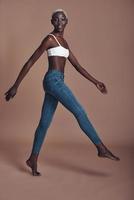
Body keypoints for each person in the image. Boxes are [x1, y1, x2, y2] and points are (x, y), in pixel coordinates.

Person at [4, 9, 120, 176]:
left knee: (44, 123)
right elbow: (30, 61)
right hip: (53, 81)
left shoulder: (64, 43)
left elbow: (78, 67)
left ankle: (32, 159)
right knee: (79, 111)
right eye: (56, 20)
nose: (59, 23)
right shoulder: (49, 39)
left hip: (57, 82)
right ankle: (100, 147)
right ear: (52, 21)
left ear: (67, 21)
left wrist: (96, 82)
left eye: (62, 20)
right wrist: (16, 85)